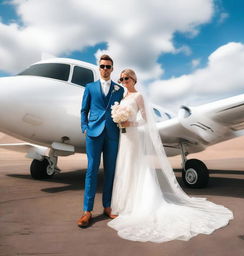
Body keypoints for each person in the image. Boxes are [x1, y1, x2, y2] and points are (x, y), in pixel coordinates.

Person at [108, 69, 233, 242]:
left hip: (133, 135)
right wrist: (119, 120)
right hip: (124, 137)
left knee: (137, 167)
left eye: (126, 78)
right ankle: (126, 205)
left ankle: (140, 205)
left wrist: (131, 122)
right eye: (121, 79)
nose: (123, 81)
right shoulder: (122, 99)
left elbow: (146, 119)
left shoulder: (138, 97)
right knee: (125, 168)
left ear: (134, 79)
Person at [78, 55, 124, 227]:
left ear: (112, 69)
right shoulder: (90, 87)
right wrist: (85, 127)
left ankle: (107, 206)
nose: (105, 69)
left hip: (112, 135)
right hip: (93, 133)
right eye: (103, 66)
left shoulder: (119, 90)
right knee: (91, 170)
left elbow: (122, 109)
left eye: (108, 67)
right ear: (99, 68)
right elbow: (84, 109)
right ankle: (87, 211)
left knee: (110, 171)